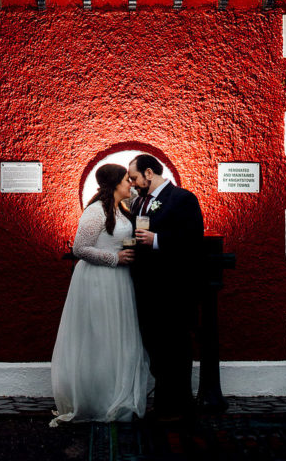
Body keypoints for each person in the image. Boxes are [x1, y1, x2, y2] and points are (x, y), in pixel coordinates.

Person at [50, 163, 150, 426]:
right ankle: (98, 398)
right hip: (99, 281)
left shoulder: (121, 209)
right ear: (115, 183)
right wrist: (114, 258)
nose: (131, 184)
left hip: (120, 282)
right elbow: (80, 248)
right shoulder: (95, 211)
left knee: (119, 336)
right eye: (127, 180)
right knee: (101, 336)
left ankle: (119, 393)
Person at [128, 153, 204, 422]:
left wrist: (157, 239)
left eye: (135, 177)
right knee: (155, 347)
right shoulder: (138, 202)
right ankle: (162, 404)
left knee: (177, 346)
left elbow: (193, 241)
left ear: (149, 173)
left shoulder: (182, 199)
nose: (133, 183)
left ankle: (181, 406)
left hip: (174, 290)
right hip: (145, 289)